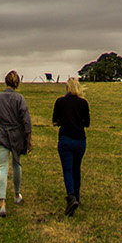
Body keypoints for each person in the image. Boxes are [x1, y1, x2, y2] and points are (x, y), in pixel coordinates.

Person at [0, 70, 31, 217]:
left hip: (2, 135)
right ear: (17, 83)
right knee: (16, 164)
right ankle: (16, 195)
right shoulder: (20, 98)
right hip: (17, 136)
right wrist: (28, 138)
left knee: (3, 167)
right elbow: (26, 120)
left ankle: (2, 203)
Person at [51, 76, 90, 215]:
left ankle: (71, 196)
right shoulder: (83, 103)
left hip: (65, 139)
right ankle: (77, 198)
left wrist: (62, 121)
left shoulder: (60, 102)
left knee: (67, 170)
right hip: (80, 140)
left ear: (67, 88)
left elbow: (55, 121)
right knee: (76, 168)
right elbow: (87, 123)